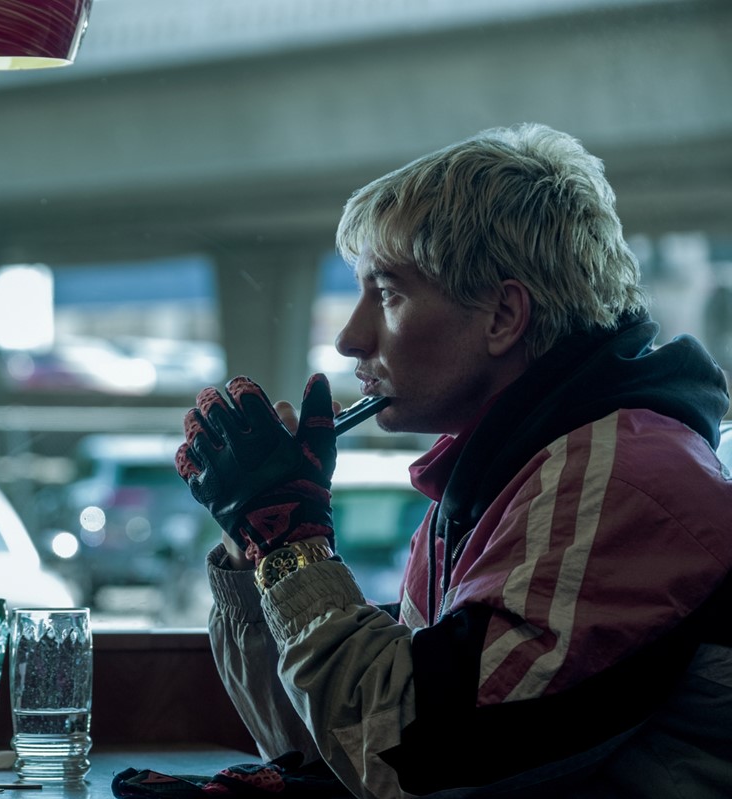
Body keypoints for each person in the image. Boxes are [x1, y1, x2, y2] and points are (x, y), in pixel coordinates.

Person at [175, 123, 732, 798]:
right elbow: (329, 753)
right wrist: (254, 543)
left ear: (502, 315)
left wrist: (290, 543)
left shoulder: (615, 481)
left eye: (387, 293)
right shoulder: (501, 479)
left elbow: (413, 763)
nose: (350, 338)